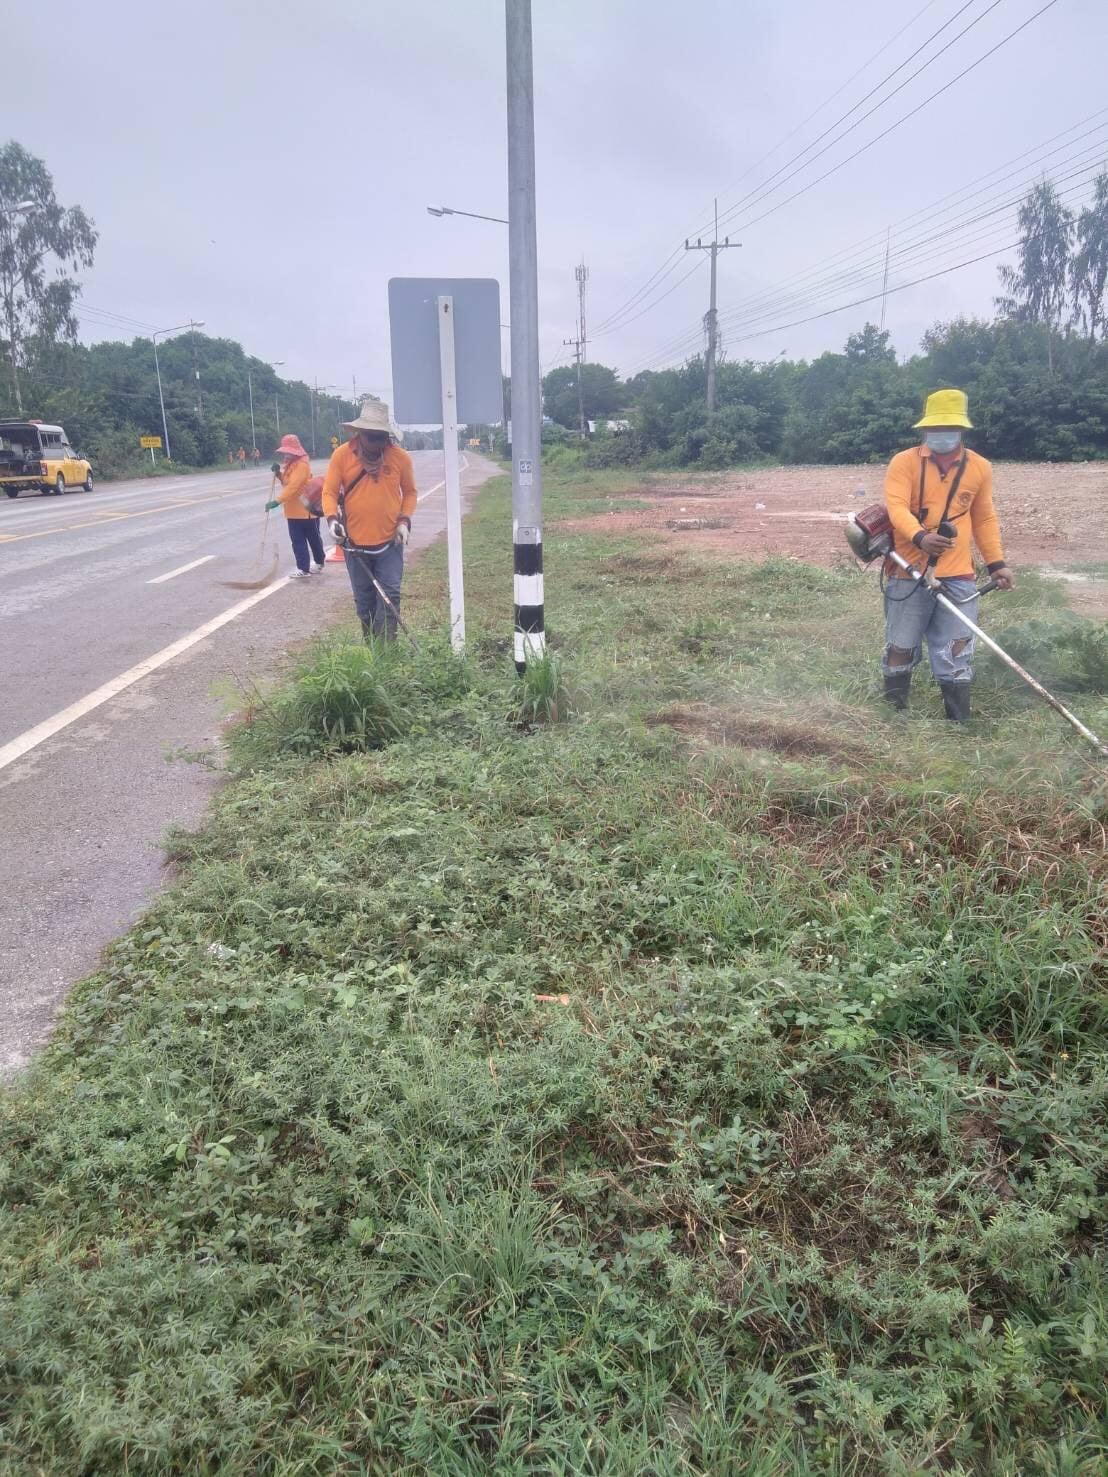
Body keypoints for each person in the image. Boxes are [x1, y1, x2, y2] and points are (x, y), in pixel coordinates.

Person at [882, 388, 1014, 722]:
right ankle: (894, 717)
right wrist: (920, 537)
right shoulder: (904, 463)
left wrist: (996, 563)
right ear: (925, 429)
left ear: (961, 429)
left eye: (948, 428)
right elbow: (896, 508)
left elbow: (984, 518)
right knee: (901, 645)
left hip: (958, 574)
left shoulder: (979, 467)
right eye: (935, 428)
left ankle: (958, 724)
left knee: (957, 646)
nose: (941, 434)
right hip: (908, 570)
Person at [321, 399, 416, 639]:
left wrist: (404, 521)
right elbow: (329, 492)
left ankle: (388, 650)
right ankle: (373, 650)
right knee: (365, 604)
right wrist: (332, 520)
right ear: (360, 433)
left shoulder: (400, 458)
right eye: (371, 437)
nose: (377, 443)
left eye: (381, 437)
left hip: (390, 544)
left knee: (390, 596)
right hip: (355, 546)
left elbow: (410, 492)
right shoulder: (341, 456)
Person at [266, 433, 325, 580]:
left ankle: (319, 562)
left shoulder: (302, 466)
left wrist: (277, 501)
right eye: (285, 452)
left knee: (313, 539)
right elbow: (287, 483)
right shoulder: (291, 465)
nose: (285, 455)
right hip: (293, 511)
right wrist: (278, 473)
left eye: (288, 452)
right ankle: (303, 568)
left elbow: (294, 487)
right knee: (298, 542)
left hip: (306, 510)